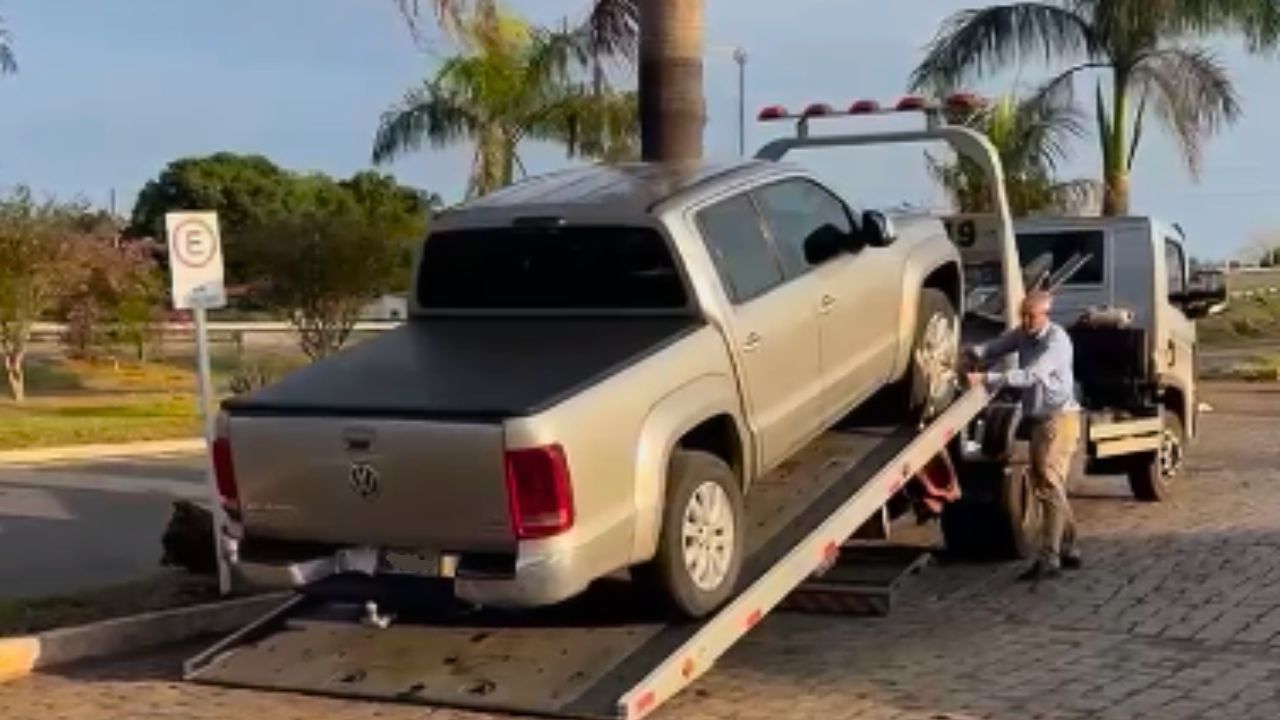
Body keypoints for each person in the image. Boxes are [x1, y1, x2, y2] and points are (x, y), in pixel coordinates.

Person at [966, 290, 1082, 581]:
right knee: (1048, 482)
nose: (1027, 322)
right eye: (1024, 316)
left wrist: (987, 379)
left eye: (1032, 316)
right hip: (1041, 419)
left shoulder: (1056, 341)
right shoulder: (1023, 333)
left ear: (1045, 314)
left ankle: (1050, 556)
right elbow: (997, 347)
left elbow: (1032, 374)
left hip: (1059, 419)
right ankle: (1069, 546)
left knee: (1046, 481)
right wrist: (974, 353)